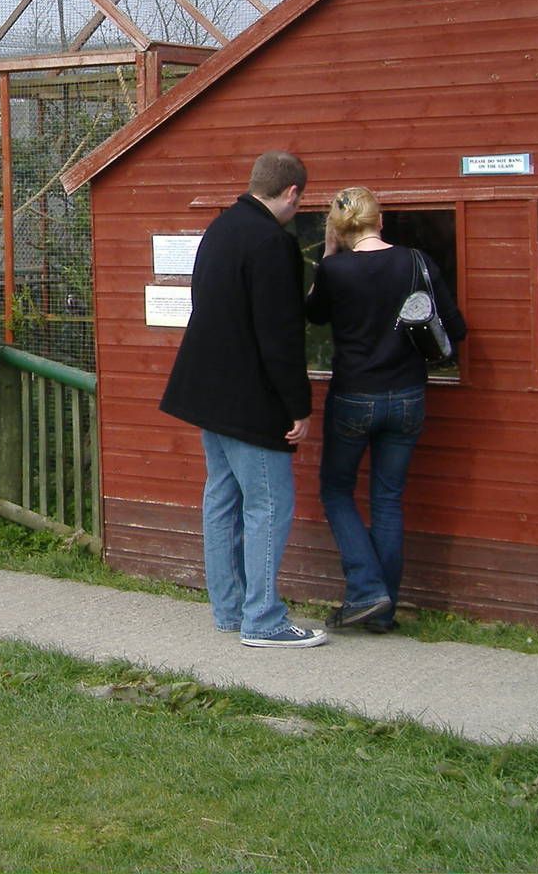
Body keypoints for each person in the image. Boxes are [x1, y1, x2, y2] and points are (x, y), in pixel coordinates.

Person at [159, 151, 326, 648]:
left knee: (222, 499)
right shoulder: (273, 243)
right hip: (251, 399)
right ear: (292, 193)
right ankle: (264, 620)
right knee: (269, 505)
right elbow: (281, 335)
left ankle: (230, 610)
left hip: (208, 391)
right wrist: (299, 404)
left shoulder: (222, 228)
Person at [305, 186, 467, 634]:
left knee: (337, 491)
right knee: (387, 499)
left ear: (338, 229)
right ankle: (383, 613)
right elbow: (457, 329)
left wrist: (328, 252)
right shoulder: (416, 262)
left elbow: (313, 315)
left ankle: (366, 590)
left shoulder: (334, 270)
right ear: (382, 220)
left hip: (355, 394)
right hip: (409, 395)